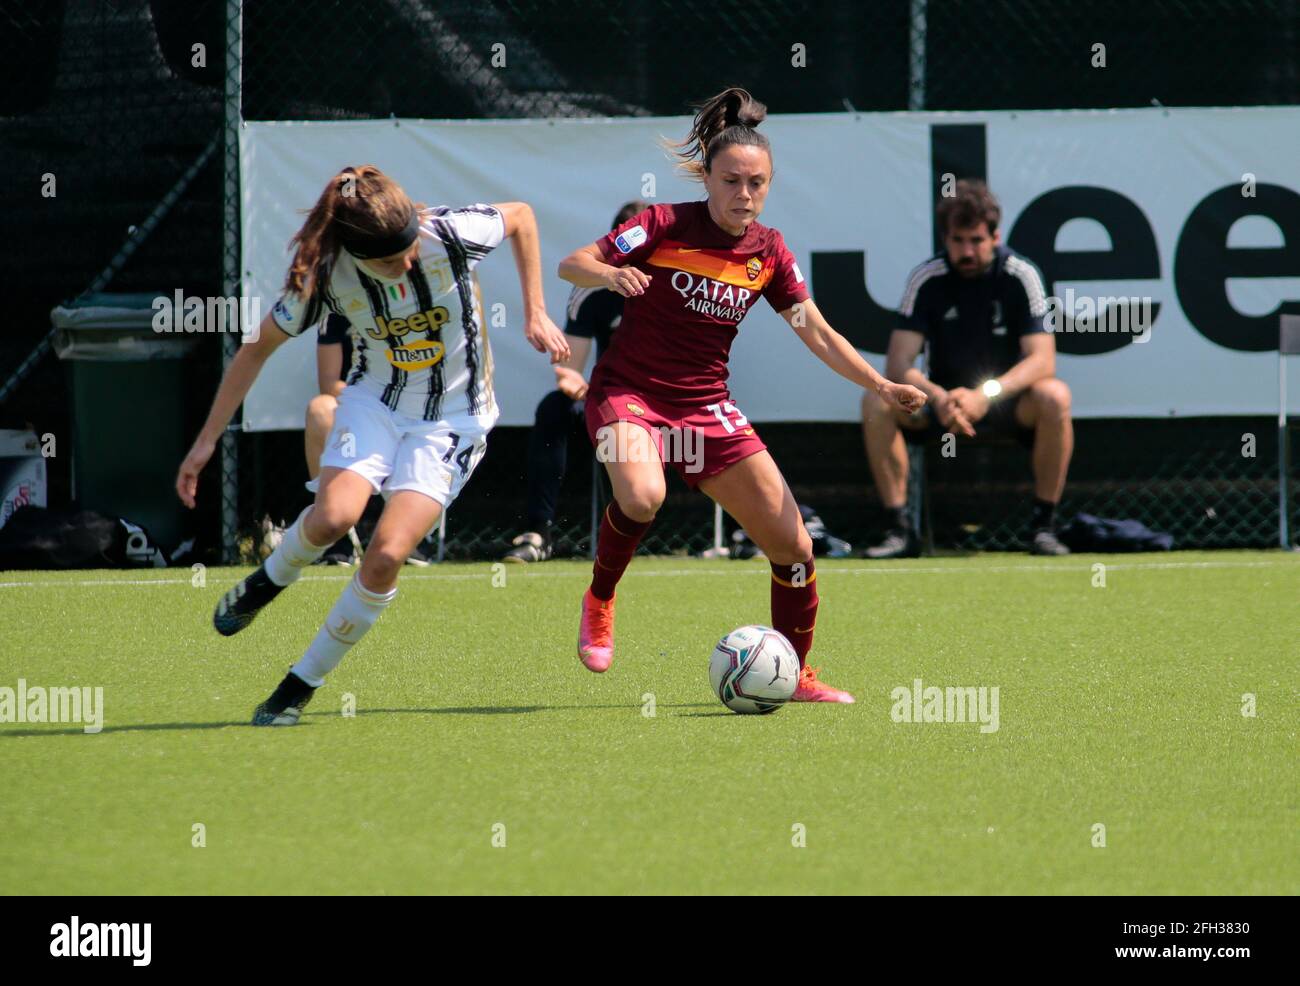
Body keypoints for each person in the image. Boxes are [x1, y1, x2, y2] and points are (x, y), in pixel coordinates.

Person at [557, 88, 926, 704]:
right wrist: (609, 273)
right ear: (707, 176)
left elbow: (820, 334)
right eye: (731, 180)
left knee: (795, 547)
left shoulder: (769, 250)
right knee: (643, 496)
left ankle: (796, 673)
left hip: (705, 407)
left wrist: (883, 384)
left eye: (757, 183)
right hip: (631, 395)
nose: (744, 194)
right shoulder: (660, 224)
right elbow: (572, 262)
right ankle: (600, 598)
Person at [175, 164, 569, 725]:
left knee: (385, 555)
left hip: (455, 420)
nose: (407, 263)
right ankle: (268, 580)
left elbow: (522, 217)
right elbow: (255, 349)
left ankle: (299, 684)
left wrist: (535, 311)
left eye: (409, 249)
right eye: (389, 260)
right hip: (375, 403)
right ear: (355, 253)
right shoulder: (324, 276)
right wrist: (205, 442)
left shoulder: (449, 233)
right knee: (333, 517)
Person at [860, 179, 1073, 558]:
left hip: (1007, 402)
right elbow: (898, 364)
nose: (967, 250)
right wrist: (941, 398)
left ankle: (1043, 527)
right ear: (946, 238)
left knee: (1055, 396)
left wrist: (984, 395)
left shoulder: (1020, 275)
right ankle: (900, 531)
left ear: (995, 236)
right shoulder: (927, 278)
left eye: (976, 240)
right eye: (958, 240)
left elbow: (1043, 359)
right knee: (875, 402)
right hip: (938, 403)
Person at [503, 199, 645, 563]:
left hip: (666, 401)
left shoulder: (679, 285)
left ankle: (746, 532)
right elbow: (570, 369)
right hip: (610, 400)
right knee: (554, 408)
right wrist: (578, 385)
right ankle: (538, 531)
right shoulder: (594, 288)